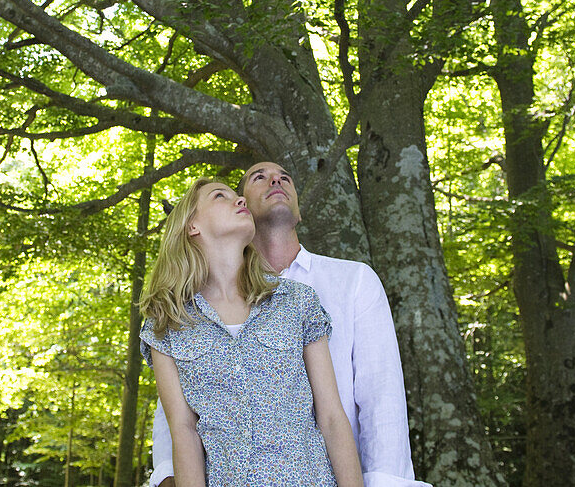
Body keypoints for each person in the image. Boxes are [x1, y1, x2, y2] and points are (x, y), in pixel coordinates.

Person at [149, 162, 430, 487]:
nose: (276, 181)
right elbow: (180, 418)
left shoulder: (343, 284)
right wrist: (167, 474)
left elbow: (379, 398)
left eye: (285, 177)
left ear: (298, 214)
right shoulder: (178, 317)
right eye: (258, 177)